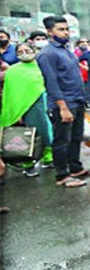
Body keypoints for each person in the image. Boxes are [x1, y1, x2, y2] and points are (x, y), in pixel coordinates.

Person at [36, 16, 90, 188]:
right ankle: (62, 175)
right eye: (60, 29)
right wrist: (62, 107)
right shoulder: (47, 54)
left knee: (76, 138)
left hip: (77, 101)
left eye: (66, 29)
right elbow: (51, 82)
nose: (65, 33)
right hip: (63, 104)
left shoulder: (66, 50)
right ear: (50, 32)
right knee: (62, 140)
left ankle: (75, 168)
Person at [0, 42, 54, 176]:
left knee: (45, 131)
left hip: (43, 105)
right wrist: (16, 112)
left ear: (34, 50)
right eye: (20, 52)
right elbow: (10, 94)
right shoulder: (13, 71)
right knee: (25, 136)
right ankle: (28, 163)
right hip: (24, 109)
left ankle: (49, 157)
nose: (24, 53)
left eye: (27, 50)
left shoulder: (42, 66)